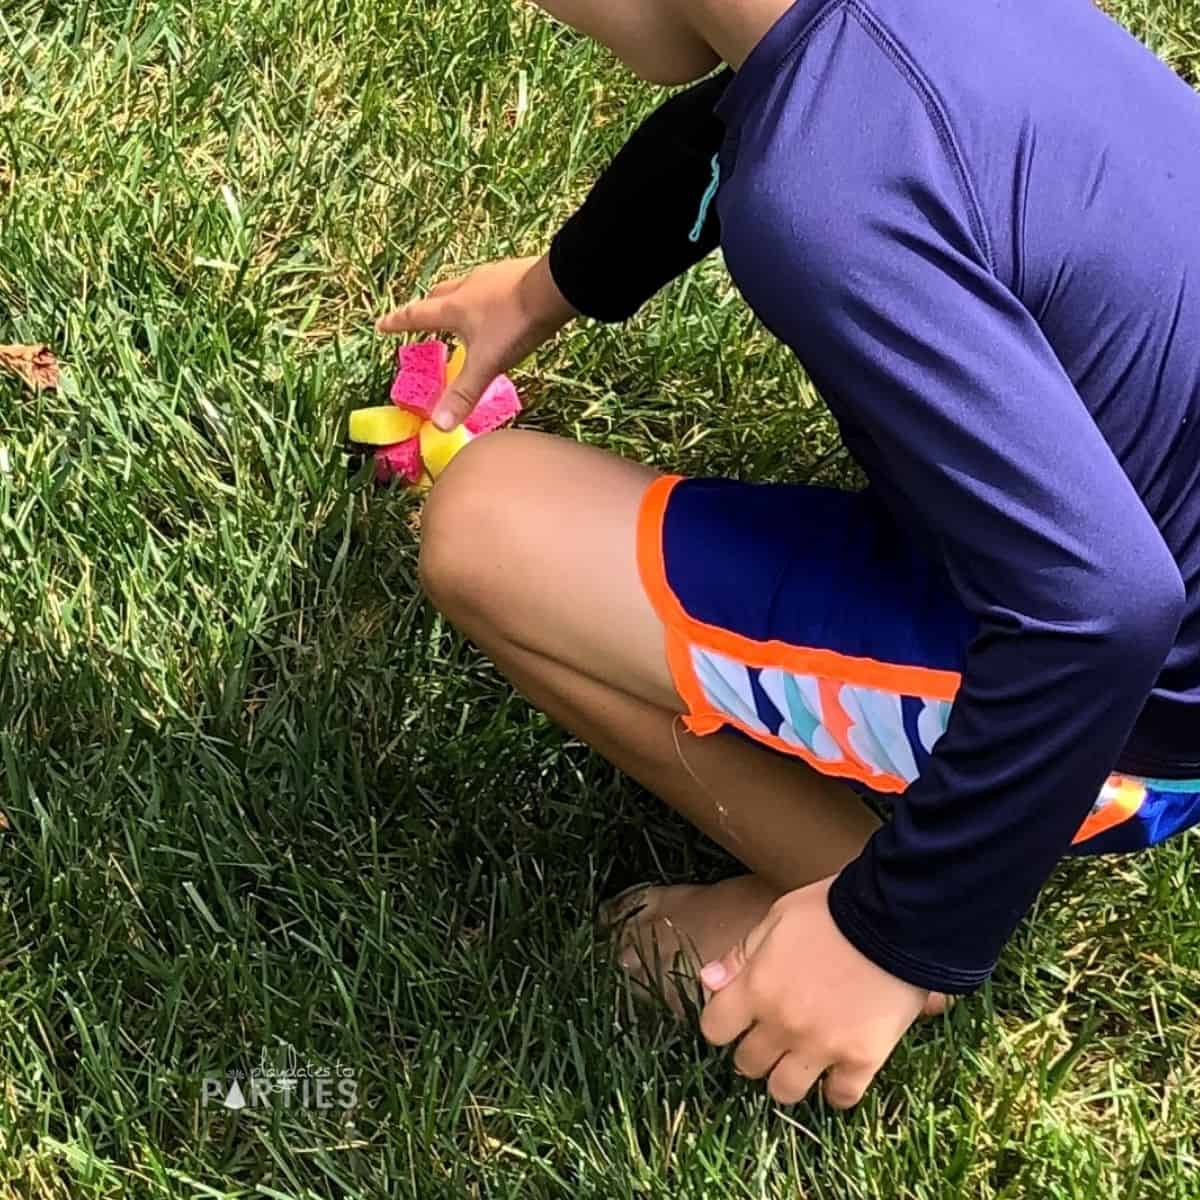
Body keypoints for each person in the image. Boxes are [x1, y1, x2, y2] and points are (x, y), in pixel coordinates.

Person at [376, 0, 1200, 1108]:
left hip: (1124, 720)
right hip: (1128, 542)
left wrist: (893, 941)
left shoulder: (826, 196)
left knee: (488, 525)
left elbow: (1105, 608)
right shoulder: (878, 60)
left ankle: (849, 886)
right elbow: (738, 115)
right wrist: (548, 286)